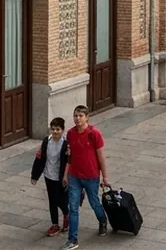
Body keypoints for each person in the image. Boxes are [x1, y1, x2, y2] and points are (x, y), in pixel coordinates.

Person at [63, 105, 108, 250]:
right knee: (73, 208)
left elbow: (101, 157)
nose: (77, 118)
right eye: (75, 115)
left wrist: (105, 178)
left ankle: (102, 220)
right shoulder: (70, 133)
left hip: (91, 176)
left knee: (94, 202)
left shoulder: (94, 133)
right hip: (74, 176)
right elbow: (69, 157)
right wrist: (65, 175)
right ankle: (73, 239)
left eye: (80, 116)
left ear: (87, 117)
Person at [30, 116, 69, 238]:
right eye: (53, 129)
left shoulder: (66, 144)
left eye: (58, 129)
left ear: (62, 130)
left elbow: (69, 161)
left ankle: (66, 213)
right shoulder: (47, 141)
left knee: (59, 199)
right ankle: (55, 224)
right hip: (48, 175)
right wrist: (35, 176)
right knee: (52, 200)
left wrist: (66, 176)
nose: (55, 131)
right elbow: (40, 158)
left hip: (60, 177)